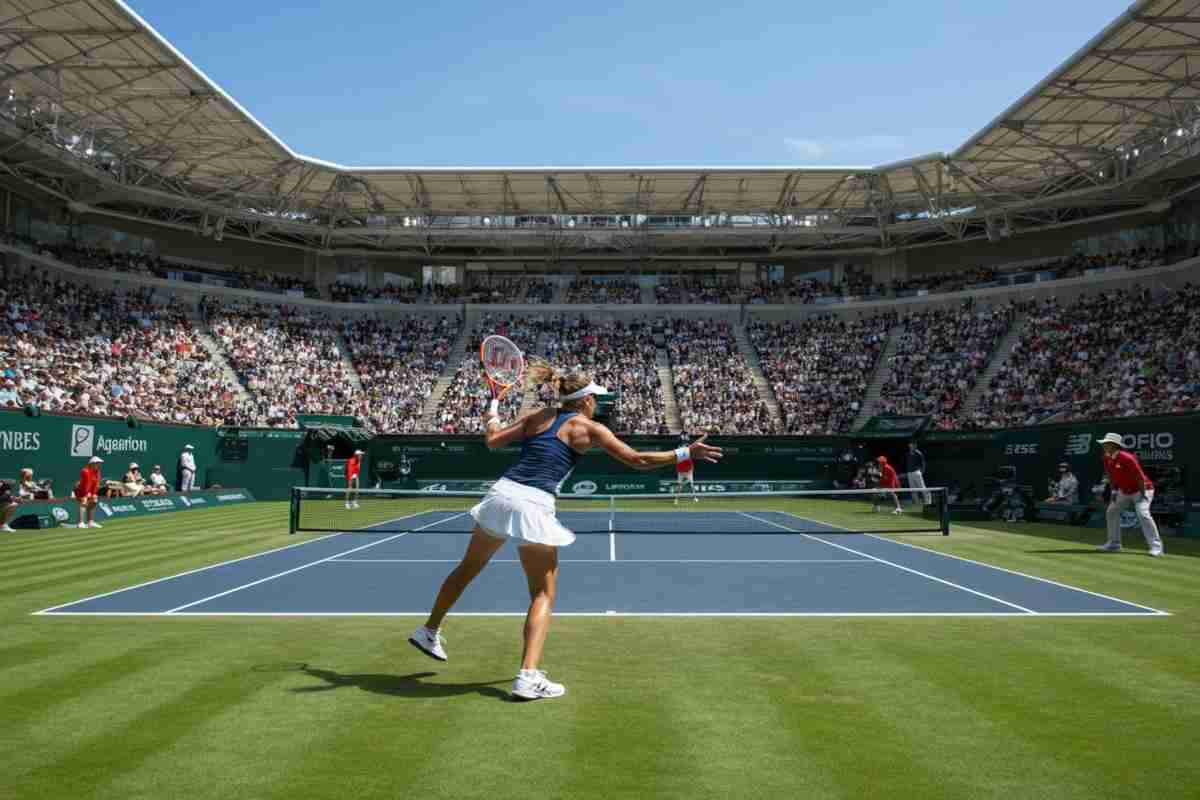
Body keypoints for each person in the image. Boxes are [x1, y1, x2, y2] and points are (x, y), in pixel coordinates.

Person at [409, 361, 722, 701]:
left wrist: (492, 418)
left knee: (467, 569)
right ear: (585, 400)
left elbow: (493, 441)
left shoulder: (538, 417)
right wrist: (684, 452)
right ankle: (528, 676)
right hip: (533, 504)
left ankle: (429, 630)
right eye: (595, 399)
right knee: (543, 594)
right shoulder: (588, 428)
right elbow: (638, 461)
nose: (597, 404)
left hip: (499, 495)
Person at [1096, 432, 1164, 556]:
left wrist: (1143, 494)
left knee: (1143, 514)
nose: (1104, 445)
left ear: (1114, 445)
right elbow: (1111, 476)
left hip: (1142, 489)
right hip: (1124, 491)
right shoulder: (1106, 457)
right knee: (1111, 511)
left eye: (1106, 443)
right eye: (1104, 443)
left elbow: (1139, 476)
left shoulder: (1127, 457)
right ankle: (1114, 544)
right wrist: (1114, 491)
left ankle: (1156, 547)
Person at [74, 456, 103, 529]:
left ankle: (91, 522)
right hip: (80, 490)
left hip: (89, 490)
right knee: (84, 501)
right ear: (92, 464)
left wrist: (94, 494)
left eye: (99, 463)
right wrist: (88, 493)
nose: (99, 465)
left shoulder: (98, 472)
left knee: (94, 501)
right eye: (97, 463)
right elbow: (87, 483)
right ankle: (80, 523)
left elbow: (96, 484)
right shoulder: (85, 471)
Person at [673, 437, 698, 505]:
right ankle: (676, 499)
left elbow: (691, 466)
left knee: (692, 485)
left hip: (688, 472)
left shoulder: (688, 455)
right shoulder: (678, 456)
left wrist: (689, 472)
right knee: (679, 486)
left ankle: (695, 497)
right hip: (681, 472)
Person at [905, 440, 930, 506]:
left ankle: (927, 501)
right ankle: (916, 503)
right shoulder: (907, 454)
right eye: (911, 444)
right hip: (909, 473)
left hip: (916, 472)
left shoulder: (919, 453)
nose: (912, 446)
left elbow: (923, 463)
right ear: (909, 445)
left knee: (922, 487)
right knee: (913, 489)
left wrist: (922, 472)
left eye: (913, 444)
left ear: (915, 445)